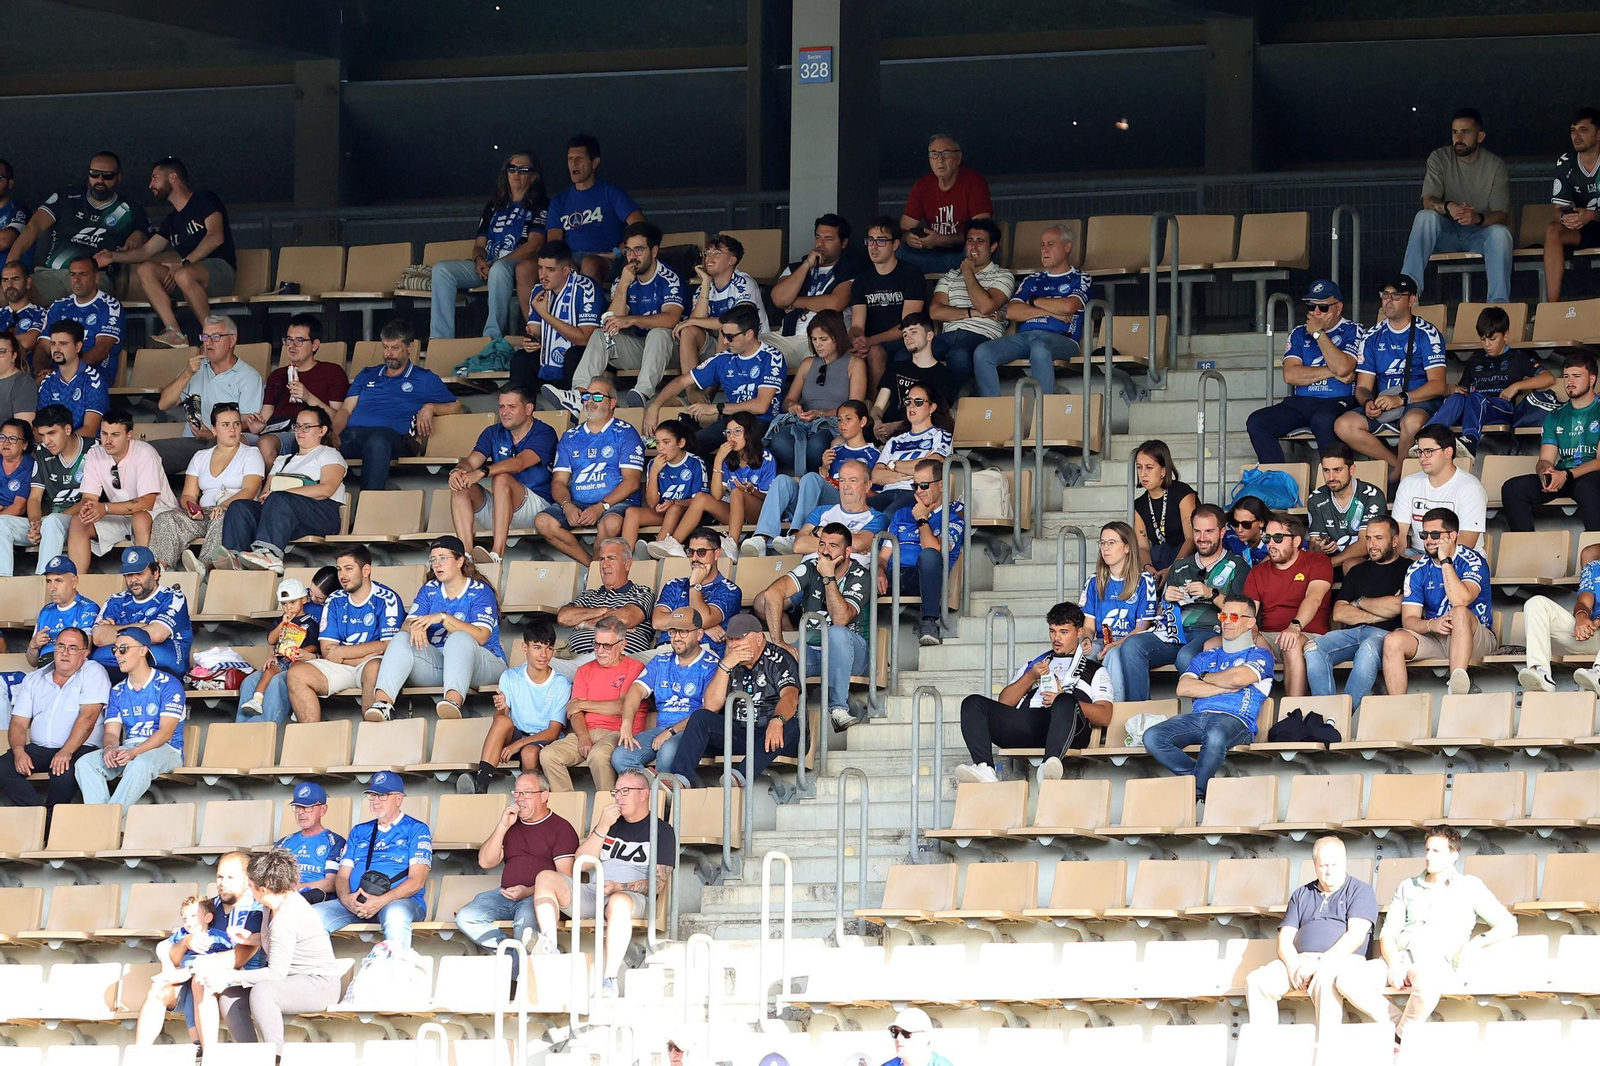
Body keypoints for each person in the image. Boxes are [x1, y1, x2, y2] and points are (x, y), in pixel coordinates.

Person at [1333, 826, 1516, 1050]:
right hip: (1400, 959)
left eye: (1436, 851)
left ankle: (1399, 1041)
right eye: (1427, 850)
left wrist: (1477, 942)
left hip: (1436, 964)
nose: (1428, 856)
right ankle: (1397, 1028)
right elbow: (1388, 934)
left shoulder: (1470, 886)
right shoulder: (1407, 887)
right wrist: (1392, 965)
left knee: (1428, 985)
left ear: (1453, 855)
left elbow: (1508, 925)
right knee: (1346, 980)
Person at [530, 768, 673, 996]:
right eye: (616, 792)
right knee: (545, 877)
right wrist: (603, 827)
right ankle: (549, 947)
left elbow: (657, 884)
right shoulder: (610, 825)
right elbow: (582, 863)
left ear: (644, 794)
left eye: (626, 791)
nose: (619, 797)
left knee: (618, 902)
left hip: (632, 898)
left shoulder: (662, 831)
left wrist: (620, 887)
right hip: (596, 893)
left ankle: (609, 979)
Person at [953, 601, 1112, 785]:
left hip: (1069, 728)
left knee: (1065, 701)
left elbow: (1105, 715)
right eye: (1052, 631)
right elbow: (1004, 702)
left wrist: (1065, 700)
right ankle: (985, 769)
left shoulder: (1095, 670)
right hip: (1031, 723)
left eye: (1063, 632)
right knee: (973, 703)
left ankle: (1049, 766)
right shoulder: (1035, 664)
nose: (1056, 638)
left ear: (1079, 632)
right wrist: (1031, 676)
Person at [1105, 505, 1246, 703]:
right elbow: (1162, 613)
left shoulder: (1238, 565)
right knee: (1132, 645)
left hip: (1212, 632)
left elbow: (1242, 613)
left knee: (1186, 656)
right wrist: (1166, 600)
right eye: (1197, 531)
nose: (1202, 537)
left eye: (1209, 531)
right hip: (1174, 631)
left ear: (1222, 532)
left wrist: (1211, 593)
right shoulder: (1180, 565)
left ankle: (1199, 716)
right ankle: (1139, 714)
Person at [209, 849, 342, 1055]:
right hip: (290, 979)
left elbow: (275, 974)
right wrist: (250, 938)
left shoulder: (286, 917)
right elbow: (279, 942)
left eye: (251, 885)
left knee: (264, 992)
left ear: (262, 888)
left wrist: (228, 976)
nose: (249, 889)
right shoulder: (270, 905)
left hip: (319, 985)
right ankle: (253, 1056)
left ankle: (276, 1056)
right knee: (230, 997)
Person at [545, 221, 683, 415]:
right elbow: (610, 320)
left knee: (659, 333)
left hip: (671, 351)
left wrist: (632, 320)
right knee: (601, 335)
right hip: (640, 350)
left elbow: (671, 319)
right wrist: (623, 286)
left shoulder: (668, 277)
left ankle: (641, 394)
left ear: (654, 251)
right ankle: (579, 394)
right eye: (628, 251)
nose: (632, 257)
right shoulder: (623, 279)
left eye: (639, 250)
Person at [1245, 835, 1378, 1035]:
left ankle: (1327, 1047)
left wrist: (1320, 963)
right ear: (1315, 865)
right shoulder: (1301, 894)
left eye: (1334, 864)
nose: (1329, 870)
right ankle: (1266, 1047)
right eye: (1323, 865)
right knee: (1256, 980)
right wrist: (1293, 967)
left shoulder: (1360, 891)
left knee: (1324, 979)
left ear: (1344, 862)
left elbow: (1356, 936)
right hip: (1300, 961)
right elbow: (1285, 940)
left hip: (1342, 960)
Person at [365, 536, 505, 722]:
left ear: (460, 561)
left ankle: (452, 703)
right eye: (433, 559)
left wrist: (443, 617)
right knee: (401, 638)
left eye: (443, 558)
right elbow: (408, 624)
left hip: (484, 663)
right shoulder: (430, 589)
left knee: (459, 638)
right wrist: (416, 626)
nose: (437, 564)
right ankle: (383, 704)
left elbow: (481, 636)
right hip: (441, 665)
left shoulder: (480, 590)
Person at [1146, 594, 1273, 800]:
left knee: (1215, 735)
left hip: (1237, 722)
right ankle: (1202, 783)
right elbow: (1184, 688)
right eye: (1224, 617)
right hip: (1198, 717)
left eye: (1234, 617)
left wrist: (1204, 679)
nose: (1227, 622)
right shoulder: (1206, 656)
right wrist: (1220, 687)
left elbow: (1239, 678)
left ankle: (1194, 792)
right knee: (1153, 736)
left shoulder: (1260, 654)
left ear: (1250, 623)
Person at [99, 159, 236, 348]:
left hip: (220, 272)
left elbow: (216, 236)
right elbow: (145, 251)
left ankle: (211, 336)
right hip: (186, 276)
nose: (150, 185)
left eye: (154, 178)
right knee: (146, 270)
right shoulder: (171, 220)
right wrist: (112, 257)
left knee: (183, 274)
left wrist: (186, 262)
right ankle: (174, 332)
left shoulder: (204, 199)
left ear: (173, 177)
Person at [455, 770, 579, 977]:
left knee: (525, 928)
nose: (520, 799)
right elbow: (485, 861)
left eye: (527, 793)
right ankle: (514, 958)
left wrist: (528, 891)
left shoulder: (561, 828)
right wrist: (503, 826)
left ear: (544, 795)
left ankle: (524, 983)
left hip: (537, 897)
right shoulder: (511, 825)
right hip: (503, 895)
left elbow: (565, 878)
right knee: (466, 917)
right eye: (517, 793)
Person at [660, 614, 801, 788]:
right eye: (730, 640)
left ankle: (740, 776)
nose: (734, 645)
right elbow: (711, 706)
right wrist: (725, 666)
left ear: (758, 638)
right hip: (741, 733)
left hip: (774, 734)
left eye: (740, 639)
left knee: (788, 723)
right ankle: (680, 779)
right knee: (701, 717)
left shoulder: (779, 659)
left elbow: (790, 696)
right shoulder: (730, 662)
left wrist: (777, 721)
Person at [755, 523, 872, 730]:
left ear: (847, 551)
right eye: (822, 544)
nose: (825, 551)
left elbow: (840, 619)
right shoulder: (811, 567)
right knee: (781, 658)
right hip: (813, 651)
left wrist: (828, 577)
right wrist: (779, 641)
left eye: (833, 546)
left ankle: (838, 709)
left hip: (853, 655)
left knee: (835, 632)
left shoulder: (860, 575)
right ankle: (778, 721)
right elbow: (772, 594)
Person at [1334, 276, 1447, 484]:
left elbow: (1438, 385)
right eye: (1385, 295)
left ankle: (1397, 479)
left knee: (1412, 421)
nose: (1388, 300)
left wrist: (1403, 398)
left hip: (1419, 401)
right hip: (1385, 403)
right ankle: (1398, 464)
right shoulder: (1372, 336)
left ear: (1411, 300)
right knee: (1343, 424)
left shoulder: (1427, 333)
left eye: (1396, 295)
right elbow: (1362, 387)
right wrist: (1368, 402)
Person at [430, 149, 548, 341]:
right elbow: (479, 244)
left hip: (515, 265)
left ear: (534, 177)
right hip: (489, 264)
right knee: (442, 270)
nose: (516, 174)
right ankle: (440, 339)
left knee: (499, 269)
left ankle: (491, 338)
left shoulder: (540, 204)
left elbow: (535, 244)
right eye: (512, 169)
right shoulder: (494, 205)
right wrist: (479, 260)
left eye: (523, 169)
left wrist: (497, 264)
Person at [1400, 108, 1513, 304]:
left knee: (1501, 234)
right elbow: (1428, 201)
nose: (1458, 138)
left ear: (1480, 136)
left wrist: (1477, 218)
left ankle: (1499, 305)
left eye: (1465, 132)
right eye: (1454, 132)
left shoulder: (1495, 165)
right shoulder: (1439, 158)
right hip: (1446, 234)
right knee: (1424, 217)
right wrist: (1448, 206)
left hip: (1478, 234)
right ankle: (1407, 293)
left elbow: (1502, 215)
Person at [5, 151, 148, 305]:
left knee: (86, 304)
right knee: (9, 292)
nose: (100, 180)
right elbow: (34, 226)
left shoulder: (132, 209)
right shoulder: (67, 196)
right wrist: (10, 266)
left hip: (95, 276)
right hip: (52, 276)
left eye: (107, 176)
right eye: (94, 174)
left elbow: (152, 243)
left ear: (119, 177)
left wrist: (140, 234)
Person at [335, 319, 461, 492]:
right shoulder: (366, 374)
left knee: (378, 440)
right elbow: (345, 410)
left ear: (409, 348)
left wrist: (431, 407)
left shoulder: (424, 379)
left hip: (394, 440)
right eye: (385, 347)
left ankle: (369, 505)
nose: (389, 353)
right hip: (354, 435)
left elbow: (457, 407)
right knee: (311, 440)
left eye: (395, 348)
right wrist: (332, 433)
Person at [282, 547, 404, 725]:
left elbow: (389, 645)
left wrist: (343, 653)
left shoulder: (387, 598)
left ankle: (372, 738)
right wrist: (356, 656)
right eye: (339, 569)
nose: (342, 575)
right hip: (345, 665)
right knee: (297, 674)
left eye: (349, 568)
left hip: (372, 665)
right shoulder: (334, 599)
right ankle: (311, 740)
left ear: (366, 570)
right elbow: (327, 649)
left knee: (374, 667)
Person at [1245, 279, 1362, 463]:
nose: (1315, 313)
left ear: (1338, 307)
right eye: (1310, 306)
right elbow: (1290, 375)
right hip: (1302, 401)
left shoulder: (1353, 330)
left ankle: (1333, 482)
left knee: (1323, 421)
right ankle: (1279, 482)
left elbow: (1343, 366)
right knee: (1257, 421)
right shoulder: (1298, 332)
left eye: (1322, 308)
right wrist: (1335, 372)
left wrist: (1318, 334)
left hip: (1338, 400)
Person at [219, 407, 346, 575]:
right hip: (280, 512)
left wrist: (285, 494)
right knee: (240, 507)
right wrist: (269, 498)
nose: (300, 431)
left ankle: (269, 554)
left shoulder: (329, 454)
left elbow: (326, 489)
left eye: (307, 427)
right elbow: (265, 495)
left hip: (321, 513)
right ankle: (234, 557)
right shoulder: (283, 460)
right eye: (297, 426)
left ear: (322, 430)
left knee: (278, 498)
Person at [313, 771, 432, 947]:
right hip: (356, 902)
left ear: (399, 799)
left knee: (395, 916)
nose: (375, 801)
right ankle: (322, 973)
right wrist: (347, 899)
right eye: (372, 795)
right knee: (311, 917)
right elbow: (342, 876)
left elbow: (417, 881)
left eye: (382, 795)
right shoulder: (359, 831)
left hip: (398, 902)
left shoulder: (416, 829)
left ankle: (395, 972)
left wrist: (380, 901)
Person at [535, 375, 645, 566]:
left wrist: (601, 506)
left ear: (612, 403)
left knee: (610, 524)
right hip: (579, 502)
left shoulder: (626, 433)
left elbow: (632, 482)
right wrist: (566, 505)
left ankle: (595, 575)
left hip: (616, 502)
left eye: (597, 397)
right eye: (586, 396)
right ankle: (593, 567)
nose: (590, 401)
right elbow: (559, 482)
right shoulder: (570, 436)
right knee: (543, 522)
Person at [1384, 507, 1494, 697]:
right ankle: (1398, 705)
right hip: (1438, 638)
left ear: (1452, 536)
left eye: (1435, 534)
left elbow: (1461, 600)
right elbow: (1409, 620)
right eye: (1425, 534)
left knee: (1459, 611)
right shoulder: (1417, 569)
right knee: (1392, 641)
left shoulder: (1472, 560)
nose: (1428, 540)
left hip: (1476, 637)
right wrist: (1430, 624)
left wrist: (1445, 561)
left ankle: (1456, 688)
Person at [1423, 306, 1556, 460]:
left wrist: (1516, 386)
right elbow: (1463, 389)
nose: (1487, 345)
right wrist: (1453, 389)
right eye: (1483, 339)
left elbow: (1548, 378)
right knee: (1458, 397)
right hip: (1474, 407)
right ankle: (1428, 436)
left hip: (1501, 408)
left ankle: (1470, 441)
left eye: (1492, 339)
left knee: (1475, 397)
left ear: (1505, 335)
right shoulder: (1475, 360)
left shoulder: (1517, 357)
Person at [648, 304, 786, 453]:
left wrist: (716, 408)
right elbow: (682, 381)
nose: (725, 341)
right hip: (731, 421)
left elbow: (760, 406)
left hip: (762, 422)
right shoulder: (723, 358)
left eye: (730, 337)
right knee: (690, 447)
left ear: (749, 334)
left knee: (738, 446)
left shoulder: (771, 357)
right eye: (723, 334)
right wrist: (655, 406)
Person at [74, 627, 187, 809]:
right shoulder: (118, 690)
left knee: (139, 763)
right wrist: (110, 748)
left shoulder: (168, 684)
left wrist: (134, 753)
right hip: (129, 748)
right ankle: (105, 820)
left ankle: (107, 820)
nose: (117, 654)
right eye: (115, 650)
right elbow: (111, 731)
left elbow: (166, 732)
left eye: (124, 649)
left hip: (167, 749)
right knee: (85, 763)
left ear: (143, 651)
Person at [1304, 517, 1410, 710]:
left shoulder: (1409, 569)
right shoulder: (1357, 570)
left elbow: (1399, 606)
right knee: (1312, 647)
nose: (1372, 545)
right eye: (1368, 538)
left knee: (1367, 650)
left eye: (1379, 538)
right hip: (1351, 633)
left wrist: (1359, 602)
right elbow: (1339, 613)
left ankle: (1342, 715)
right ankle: (1324, 714)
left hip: (1385, 635)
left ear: (1395, 541)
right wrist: (1381, 612)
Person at [456, 618, 572, 795]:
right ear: (525, 648)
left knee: (529, 753)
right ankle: (481, 786)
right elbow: (500, 719)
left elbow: (553, 732)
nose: (544, 655)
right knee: (503, 721)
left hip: (543, 740)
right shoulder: (510, 676)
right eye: (537, 647)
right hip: (516, 735)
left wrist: (517, 745)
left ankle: (528, 796)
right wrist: (501, 708)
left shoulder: (561, 684)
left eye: (549, 648)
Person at [748, 404, 880, 557]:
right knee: (782, 480)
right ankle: (761, 537)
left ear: (862, 421)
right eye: (839, 419)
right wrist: (824, 469)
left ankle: (796, 534)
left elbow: (876, 495)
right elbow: (822, 483)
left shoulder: (874, 454)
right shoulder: (833, 451)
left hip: (846, 504)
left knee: (810, 478)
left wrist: (842, 485)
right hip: (819, 505)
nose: (842, 424)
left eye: (848, 419)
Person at [972, 224, 1089, 397]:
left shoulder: (1080, 277)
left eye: (1050, 244)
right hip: (1025, 337)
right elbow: (1012, 311)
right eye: (1042, 245)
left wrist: (1033, 301)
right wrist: (1052, 311)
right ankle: (992, 411)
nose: (1044, 250)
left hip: (1062, 339)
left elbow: (1068, 307)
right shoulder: (1032, 280)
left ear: (1067, 247)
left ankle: (1042, 416)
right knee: (983, 352)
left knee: (1040, 348)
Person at [448, 384, 558, 564]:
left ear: (528, 409)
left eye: (512, 407)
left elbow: (519, 463)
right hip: (501, 508)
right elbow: (471, 461)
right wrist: (457, 472)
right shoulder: (493, 432)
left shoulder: (544, 432)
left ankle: (496, 554)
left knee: (502, 479)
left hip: (537, 508)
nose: (505, 412)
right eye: (501, 406)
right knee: (461, 484)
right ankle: (466, 555)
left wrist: (482, 472)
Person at [0, 627, 108, 809]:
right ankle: (40, 817)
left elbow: (88, 717)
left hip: (80, 748)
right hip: (41, 748)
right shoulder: (34, 679)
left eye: (73, 648)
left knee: (64, 773)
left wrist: (66, 751)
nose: (65, 653)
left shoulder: (93, 672)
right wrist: (19, 752)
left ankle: (46, 825)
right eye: (61, 646)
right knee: (3, 767)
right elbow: (18, 722)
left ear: (85, 653)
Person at [148, 402, 264, 572]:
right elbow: (188, 494)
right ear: (214, 429)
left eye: (236, 424)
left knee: (222, 516)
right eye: (225, 425)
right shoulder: (201, 456)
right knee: (166, 518)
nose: (232, 429)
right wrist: (192, 508)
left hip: (234, 513)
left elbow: (249, 490)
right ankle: (161, 569)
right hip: (205, 514)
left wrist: (224, 505)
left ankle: (206, 565)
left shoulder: (251, 454)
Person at [149, 315, 265, 478]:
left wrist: (215, 434)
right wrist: (187, 373)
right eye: (204, 337)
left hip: (226, 443)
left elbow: (247, 422)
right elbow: (163, 404)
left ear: (232, 340)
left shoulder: (249, 376)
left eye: (215, 337)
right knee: (147, 452)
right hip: (192, 442)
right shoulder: (195, 370)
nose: (208, 343)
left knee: (214, 447)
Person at [540, 617, 646, 792]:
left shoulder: (634, 667)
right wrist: (583, 737)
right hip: (586, 732)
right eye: (596, 644)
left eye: (607, 646)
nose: (600, 651)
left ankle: (609, 808)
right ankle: (568, 810)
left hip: (619, 733)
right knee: (548, 755)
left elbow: (622, 707)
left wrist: (583, 704)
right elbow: (574, 712)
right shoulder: (584, 671)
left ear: (622, 645)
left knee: (598, 755)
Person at [67, 408, 178, 575]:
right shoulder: (95, 453)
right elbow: (89, 497)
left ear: (129, 435)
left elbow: (147, 503)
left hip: (158, 514)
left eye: (115, 435)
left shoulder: (145, 452)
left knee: (139, 517)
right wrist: (88, 509)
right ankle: (76, 583)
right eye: (104, 434)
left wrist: (104, 508)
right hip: (122, 516)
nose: (108, 440)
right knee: (79, 521)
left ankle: (145, 577)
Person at [615, 608, 720, 774]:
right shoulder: (660, 661)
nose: (677, 638)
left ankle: (663, 796)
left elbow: (708, 710)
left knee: (668, 751)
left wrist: (671, 732)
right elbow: (636, 691)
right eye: (673, 632)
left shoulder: (712, 665)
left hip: (692, 733)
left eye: (684, 632)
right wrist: (627, 723)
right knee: (621, 756)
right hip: (661, 730)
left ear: (699, 634)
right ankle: (651, 790)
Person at [1503, 350, 1600, 531]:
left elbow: (1599, 462)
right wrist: (1545, 473)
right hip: (1564, 477)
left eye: (1577, 376)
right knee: (1513, 489)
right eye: (1566, 376)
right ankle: (1527, 551)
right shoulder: (1555, 415)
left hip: (1590, 476)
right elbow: (1545, 459)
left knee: (1588, 488)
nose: (1570, 382)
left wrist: (1567, 475)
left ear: (1592, 379)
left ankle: (1596, 554)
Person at [768, 308, 867, 478]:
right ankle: (803, 478)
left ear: (837, 338)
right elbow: (788, 400)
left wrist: (821, 414)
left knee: (817, 445)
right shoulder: (808, 363)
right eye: (814, 339)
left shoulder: (854, 364)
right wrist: (794, 406)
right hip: (803, 421)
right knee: (779, 441)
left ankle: (812, 478)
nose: (817, 344)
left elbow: (854, 408)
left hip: (833, 422)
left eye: (823, 339)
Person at [1242, 514, 1333, 697]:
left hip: (1308, 634)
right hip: (1269, 636)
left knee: (1291, 644)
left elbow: (1314, 598)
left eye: (1278, 538)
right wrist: (1251, 634)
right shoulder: (1258, 571)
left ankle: (1294, 708)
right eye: (1267, 538)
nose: (1271, 544)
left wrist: (1295, 627)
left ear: (1297, 541)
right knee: (1216, 643)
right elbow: (1248, 612)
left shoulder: (1317, 561)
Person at [880, 458, 965, 646]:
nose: (919, 491)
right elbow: (883, 556)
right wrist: (878, 570)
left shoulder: (953, 519)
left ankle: (929, 622)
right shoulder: (901, 514)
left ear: (941, 485)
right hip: (892, 576)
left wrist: (921, 518)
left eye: (924, 485)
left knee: (928, 556)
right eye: (915, 486)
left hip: (924, 579)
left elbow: (932, 549)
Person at [245, 314, 348, 468]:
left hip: (302, 433)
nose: (292, 346)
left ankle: (271, 490)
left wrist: (308, 397)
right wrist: (257, 426)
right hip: (273, 430)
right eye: (288, 340)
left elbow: (338, 419)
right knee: (232, 440)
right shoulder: (277, 375)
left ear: (314, 345)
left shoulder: (331, 372)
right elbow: (265, 415)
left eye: (299, 340)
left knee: (265, 443)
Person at [667, 412, 775, 555]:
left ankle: (732, 544)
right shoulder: (727, 459)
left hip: (760, 513)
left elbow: (771, 500)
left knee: (737, 492)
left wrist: (751, 491)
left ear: (749, 433)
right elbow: (717, 495)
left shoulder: (765, 457)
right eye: (728, 432)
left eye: (737, 431)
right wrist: (718, 460)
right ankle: (674, 543)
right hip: (736, 513)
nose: (732, 436)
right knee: (701, 497)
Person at [134, 895, 234, 1047]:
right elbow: (162, 947)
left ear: (208, 917)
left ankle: (202, 1046)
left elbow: (229, 955)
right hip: (183, 977)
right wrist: (168, 967)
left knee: (196, 988)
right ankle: (139, 1052)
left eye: (193, 916)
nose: (188, 922)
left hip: (203, 978)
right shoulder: (183, 934)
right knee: (157, 988)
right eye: (184, 918)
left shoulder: (215, 937)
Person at [671, 233, 768, 390]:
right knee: (688, 331)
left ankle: (706, 398)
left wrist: (692, 320)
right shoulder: (704, 288)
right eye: (707, 252)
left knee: (726, 329)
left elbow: (737, 323)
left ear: (732, 260)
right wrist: (705, 282)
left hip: (749, 342)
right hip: (718, 345)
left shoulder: (744, 283)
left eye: (716, 252)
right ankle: (692, 392)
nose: (709, 257)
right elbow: (695, 322)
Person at [925, 219, 1013, 391]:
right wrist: (973, 313)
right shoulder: (950, 276)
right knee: (908, 353)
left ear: (993, 247)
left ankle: (951, 406)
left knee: (959, 355)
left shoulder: (1003, 275)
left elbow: (986, 307)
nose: (973, 246)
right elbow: (935, 312)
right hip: (949, 335)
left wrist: (967, 272)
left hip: (982, 336)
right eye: (969, 240)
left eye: (980, 241)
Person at [544, 134, 644, 284]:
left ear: (594, 162)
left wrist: (618, 251)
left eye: (579, 159)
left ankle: (588, 306)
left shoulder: (611, 192)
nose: (573, 164)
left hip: (604, 259)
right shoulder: (559, 200)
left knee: (589, 263)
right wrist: (567, 264)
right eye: (570, 159)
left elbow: (640, 226)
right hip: (569, 260)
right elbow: (553, 242)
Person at [764, 214, 857, 369]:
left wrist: (793, 301)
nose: (821, 243)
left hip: (824, 338)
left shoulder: (850, 269)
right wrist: (807, 264)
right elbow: (779, 299)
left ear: (844, 243)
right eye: (818, 237)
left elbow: (834, 304)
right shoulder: (796, 268)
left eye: (828, 238)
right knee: (746, 347)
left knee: (824, 354)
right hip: (787, 336)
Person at [756, 457, 885, 565]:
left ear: (867, 486)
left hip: (848, 582)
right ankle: (760, 538)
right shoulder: (821, 511)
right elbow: (798, 545)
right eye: (842, 480)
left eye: (853, 480)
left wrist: (818, 532)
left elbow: (859, 543)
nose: (846, 486)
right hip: (809, 577)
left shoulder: (877, 518)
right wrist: (846, 544)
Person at [554, 537, 656, 672]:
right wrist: (605, 611)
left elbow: (627, 617)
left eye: (611, 558)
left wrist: (585, 623)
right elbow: (564, 617)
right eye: (601, 559)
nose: (605, 564)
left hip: (619, 659)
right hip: (577, 660)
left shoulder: (641, 592)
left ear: (627, 564)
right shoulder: (588, 595)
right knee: (533, 666)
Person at [513, 240, 602, 395]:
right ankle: (523, 412)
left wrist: (546, 315)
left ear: (566, 270)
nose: (543, 275)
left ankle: (577, 407)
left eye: (550, 270)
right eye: (540, 268)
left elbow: (585, 339)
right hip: (550, 357)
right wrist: (531, 340)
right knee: (521, 358)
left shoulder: (586, 288)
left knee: (574, 355)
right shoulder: (538, 290)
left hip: (584, 356)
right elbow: (535, 330)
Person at [898, 134, 994, 275]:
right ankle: (952, 270)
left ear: (958, 158)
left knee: (979, 249)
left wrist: (942, 240)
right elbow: (903, 229)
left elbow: (983, 232)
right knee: (897, 250)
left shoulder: (974, 182)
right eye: (934, 154)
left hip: (963, 252)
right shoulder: (922, 186)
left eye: (946, 154)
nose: (940, 160)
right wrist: (909, 238)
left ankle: (954, 270)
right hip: (934, 254)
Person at [90, 545, 192, 677]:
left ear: (155, 573)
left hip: (160, 671)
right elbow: (98, 637)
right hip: (116, 669)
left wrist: (114, 630)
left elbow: (156, 634)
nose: (133, 580)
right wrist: (141, 627)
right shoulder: (115, 600)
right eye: (129, 575)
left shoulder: (173, 597)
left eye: (139, 573)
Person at [850, 217, 926, 390]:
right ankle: (861, 411)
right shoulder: (862, 280)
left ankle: (876, 412)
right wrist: (857, 340)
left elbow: (908, 325)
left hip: (906, 339)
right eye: (870, 240)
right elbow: (856, 325)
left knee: (876, 351)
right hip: (872, 343)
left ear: (896, 244)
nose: (874, 246)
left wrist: (871, 341)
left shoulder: (911, 274)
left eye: (881, 241)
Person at [1391, 425, 1486, 553]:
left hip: (1460, 558)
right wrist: (1398, 562)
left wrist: (1425, 563)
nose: (1423, 457)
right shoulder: (1409, 483)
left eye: (1429, 451)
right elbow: (1399, 534)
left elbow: (1466, 543)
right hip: (1417, 552)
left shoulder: (1470, 488)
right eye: (1420, 452)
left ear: (1448, 452)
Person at [648, 528, 741, 653]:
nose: (695, 558)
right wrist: (702, 628)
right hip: (665, 650)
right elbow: (657, 622)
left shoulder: (730, 590)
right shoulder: (675, 584)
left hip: (703, 653)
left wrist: (695, 584)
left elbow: (703, 619)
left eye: (701, 552)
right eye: (690, 552)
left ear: (717, 554)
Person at [238, 578, 321, 718]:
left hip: (299, 661)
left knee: (280, 680)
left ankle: (297, 706)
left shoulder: (310, 621)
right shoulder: (281, 620)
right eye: (284, 604)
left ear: (304, 600)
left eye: (293, 602)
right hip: (281, 660)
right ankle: (256, 701)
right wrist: (282, 624)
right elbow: (271, 639)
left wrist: (305, 652)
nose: (288, 607)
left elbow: (315, 645)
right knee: (253, 680)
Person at [870, 312, 955, 447]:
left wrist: (895, 426)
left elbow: (935, 417)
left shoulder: (944, 376)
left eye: (913, 332)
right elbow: (878, 407)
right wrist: (877, 421)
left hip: (917, 437)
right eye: (904, 334)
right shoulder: (896, 368)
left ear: (929, 335)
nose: (908, 337)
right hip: (883, 433)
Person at [1521, 549, 1600, 694]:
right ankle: (1541, 673)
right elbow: (1584, 600)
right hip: (1593, 633)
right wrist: (1581, 618)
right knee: (1536, 603)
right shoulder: (1594, 567)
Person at [625, 418, 706, 555]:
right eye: (657, 443)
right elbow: (652, 503)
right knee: (632, 512)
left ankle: (657, 548)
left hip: (685, 513)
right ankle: (625, 556)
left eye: (666, 442)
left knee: (674, 509)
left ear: (681, 443)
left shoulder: (695, 463)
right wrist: (655, 472)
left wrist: (674, 502)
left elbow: (700, 500)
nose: (660, 447)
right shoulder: (653, 464)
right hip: (663, 512)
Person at [869, 383, 952, 516]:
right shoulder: (895, 440)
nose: (911, 406)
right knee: (862, 514)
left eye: (918, 402)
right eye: (908, 401)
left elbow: (929, 469)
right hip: (888, 492)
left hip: (915, 492)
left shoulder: (941, 435)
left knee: (887, 517)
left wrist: (892, 465)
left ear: (932, 407)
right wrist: (910, 472)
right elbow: (876, 476)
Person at [1544, 107, 1600, 304]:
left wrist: (1592, 215)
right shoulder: (1566, 162)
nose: (1576, 135)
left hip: (1592, 219)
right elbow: (1558, 209)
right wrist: (1565, 218)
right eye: (1573, 130)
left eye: (1583, 130)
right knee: (1553, 230)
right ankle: (1553, 307)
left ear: (1599, 134)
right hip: (1584, 228)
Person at [1305, 443, 1389, 572]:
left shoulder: (1371, 495)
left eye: (1338, 470)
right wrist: (1320, 548)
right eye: (1326, 470)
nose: (1331, 477)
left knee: (1351, 564)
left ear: (1351, 470)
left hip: (1367, 559)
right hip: (1328, 562)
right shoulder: (1316, 498)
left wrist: (1330, 563)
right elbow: (1314, 543)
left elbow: (1365, 544)